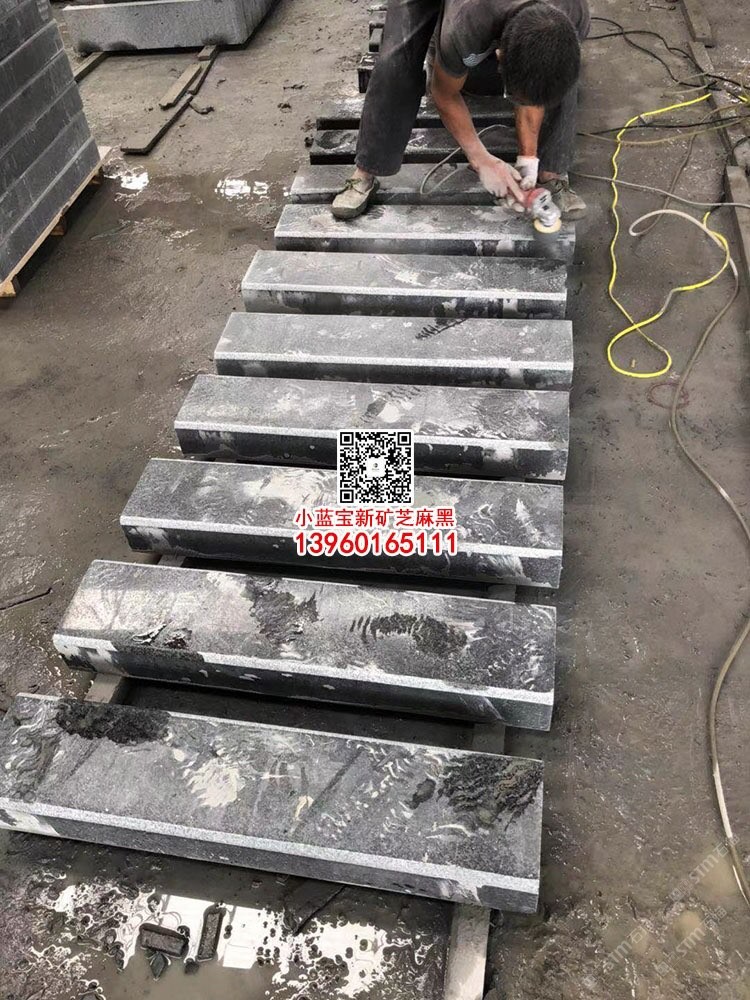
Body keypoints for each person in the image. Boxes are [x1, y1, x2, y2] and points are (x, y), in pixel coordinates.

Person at [332, 0, 590, 221]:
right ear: (499, 56)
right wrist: (481, 160)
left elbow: (538, 78)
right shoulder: (466, 21)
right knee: (398, 58)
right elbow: (444, 93)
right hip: (470, 14)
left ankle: (551, 172)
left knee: (554, 69)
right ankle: (367, 169)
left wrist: (528, 161)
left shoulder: (575, 14)